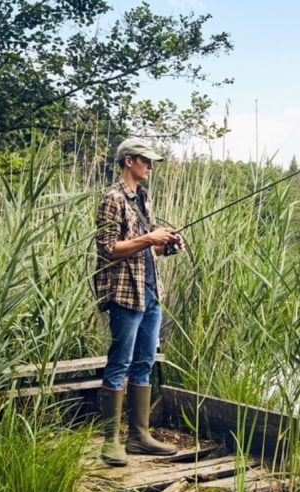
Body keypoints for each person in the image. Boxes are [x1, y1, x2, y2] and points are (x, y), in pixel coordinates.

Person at [94, 138, 183, 467]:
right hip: (123, 292)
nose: (150, 166)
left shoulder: (143, 197)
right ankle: (111, 441)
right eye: (145, 160)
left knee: (144, 361)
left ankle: (139, 436)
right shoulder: (112, 198)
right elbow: (107, 249)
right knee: (119, 363)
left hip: (149, 291)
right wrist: (149, 237)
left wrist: (167, 242)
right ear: (129, 160)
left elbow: (148, 249)